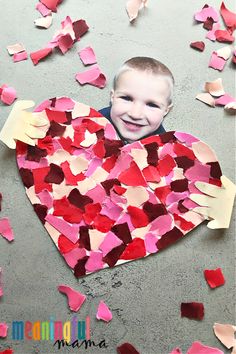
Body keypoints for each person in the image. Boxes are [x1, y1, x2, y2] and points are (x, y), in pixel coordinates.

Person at [99, 56, 173, 143]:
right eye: (126, 98)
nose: (135, 115)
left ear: (166, 111)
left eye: (152, 105)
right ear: (112, 97)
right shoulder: (96, 121)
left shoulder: (161, 145)